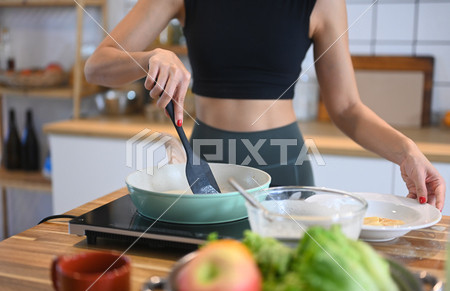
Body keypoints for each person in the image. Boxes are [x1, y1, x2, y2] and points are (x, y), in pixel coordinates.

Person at [85, 0, 445, 211]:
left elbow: (347, 108)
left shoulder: (323, 2)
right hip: (207, 164)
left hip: (285, 165)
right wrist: (151, 57)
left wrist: (407, 151)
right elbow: (97, 65)